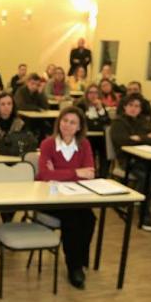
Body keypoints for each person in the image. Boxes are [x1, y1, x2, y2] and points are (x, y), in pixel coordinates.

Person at [36, 107, 96, 289]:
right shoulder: (48, 144)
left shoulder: (84, 144)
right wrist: (76, 172)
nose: (67, 125)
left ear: (79, 127)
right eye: (64, 120)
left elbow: (91, 173)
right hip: (49, 198)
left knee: (90, 218)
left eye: (73, 122)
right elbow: (45, 175)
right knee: (73, 221)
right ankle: (75, 267)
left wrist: (59, 173)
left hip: (76, 196)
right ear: (58, 122)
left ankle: (79, 260)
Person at [110, 94, 151, 230]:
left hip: (146, 159)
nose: (134, 109)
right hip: (128, 160)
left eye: (137, 106)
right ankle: (145, 215)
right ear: (125, 107)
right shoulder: (118, 123)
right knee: (148, 177)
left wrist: (139, 137)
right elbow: (123, 141)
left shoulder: (143, 122)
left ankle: (140, 200)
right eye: (131, 105)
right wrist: (146, 138)